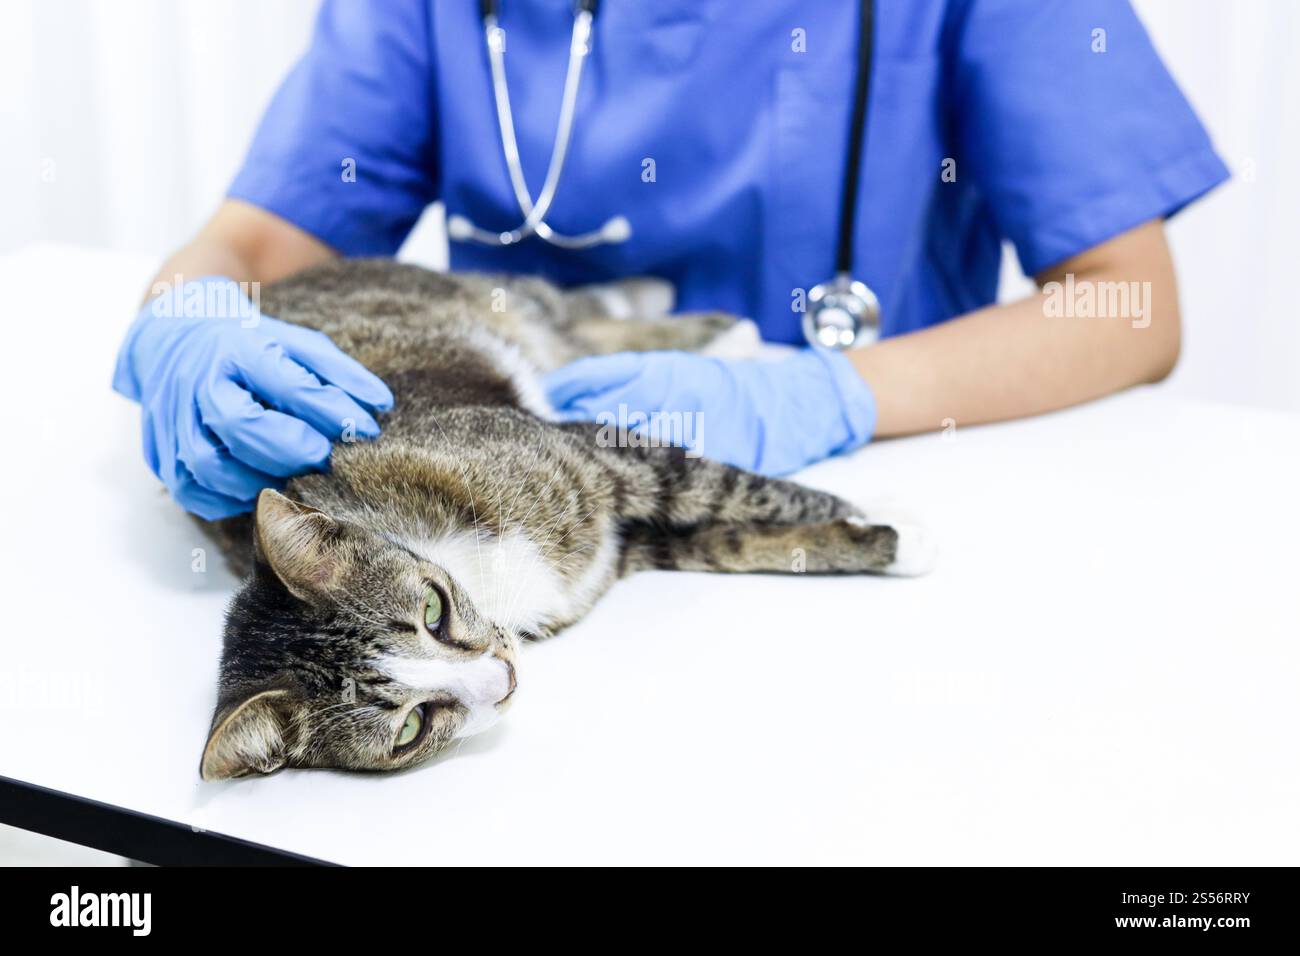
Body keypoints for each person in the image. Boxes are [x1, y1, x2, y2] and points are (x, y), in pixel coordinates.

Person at [113, 0, 1228, 519]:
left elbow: (1126, 306)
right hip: (526, 525)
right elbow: (252, 242)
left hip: (869, 491)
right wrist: (189, 329)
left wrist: (815, 397)